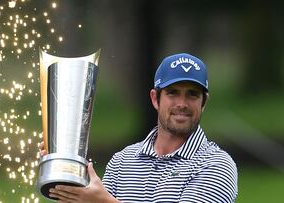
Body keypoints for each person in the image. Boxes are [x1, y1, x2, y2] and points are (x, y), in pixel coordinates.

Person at [39, 53, 238, 203]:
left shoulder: (216, 165)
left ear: (204, 102)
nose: (182, 103)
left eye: (192, 94)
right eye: (173, 93)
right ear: (155, 99)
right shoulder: (122, 161)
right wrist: (67, 171)